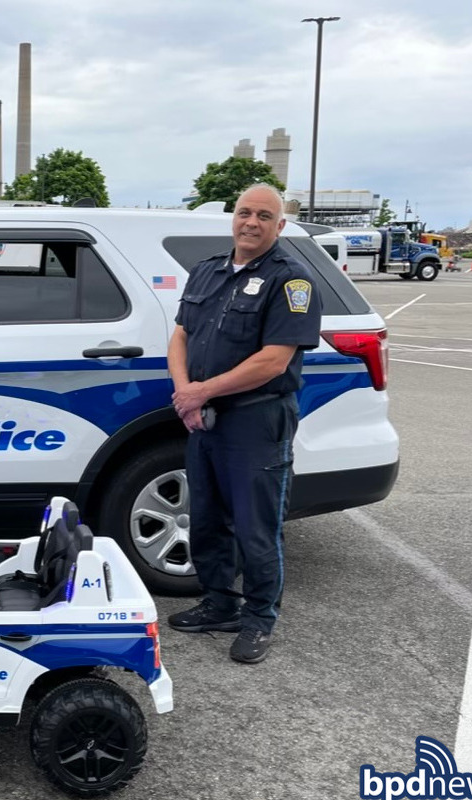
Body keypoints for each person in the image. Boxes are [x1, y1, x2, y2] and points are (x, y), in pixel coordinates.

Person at [165, 184, 322, 664]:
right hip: (204, 419)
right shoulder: (207, 271)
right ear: (234, 217)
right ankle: (218, 604)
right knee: (208, 520)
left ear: (281, 226)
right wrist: (186, 394)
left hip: (256, 420)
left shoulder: (292, 281)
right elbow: (180, 336)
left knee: (257, 528)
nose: (251, 222)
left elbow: (273, 361)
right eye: (244, 213)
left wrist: (201, 392)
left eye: (264, 215)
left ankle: (258, 619)